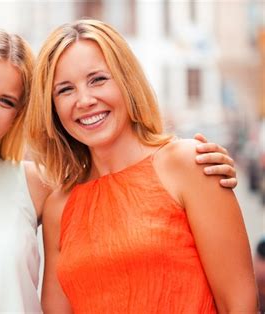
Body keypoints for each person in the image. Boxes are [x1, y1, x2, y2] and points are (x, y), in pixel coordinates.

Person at [0, 26, 239, 313]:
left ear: (20, 114)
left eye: (6, 100)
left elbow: (236, 300)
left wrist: (200, 170)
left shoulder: (36, 186)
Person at [26, 19, 257, 313]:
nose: (84, 100)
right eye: (65, 90)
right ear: (52, 107)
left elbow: (239, 304)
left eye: (98, 79)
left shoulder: (189, 165)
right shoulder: (59, 206)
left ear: (126, 81)